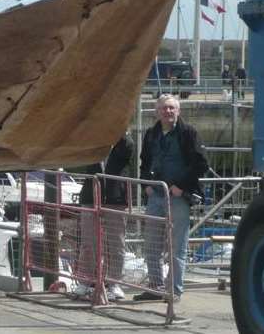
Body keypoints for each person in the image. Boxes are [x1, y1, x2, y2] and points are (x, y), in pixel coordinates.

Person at [133, 94, 208, 302]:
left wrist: (180, 187)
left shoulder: (188, 133)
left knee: (177, 246)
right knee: (151, 245)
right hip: (155, 195)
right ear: (157, 112)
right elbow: (144, 163)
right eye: (164, 108)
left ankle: (174, 290)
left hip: (178, 197)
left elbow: (201, 164)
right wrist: (146, 185)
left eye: (171, 108)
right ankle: (155, 287)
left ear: (178, 111)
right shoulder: (151, 134)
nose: (168, 112)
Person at [72, 135, 133, 302]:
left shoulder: (125, 142)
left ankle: (114, 283)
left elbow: (126, 151)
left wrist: (116, 134)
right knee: (88, 242)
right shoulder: (92, 140)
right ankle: (85, 281)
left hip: (115, 198)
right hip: (91, 197)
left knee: (116, 243)